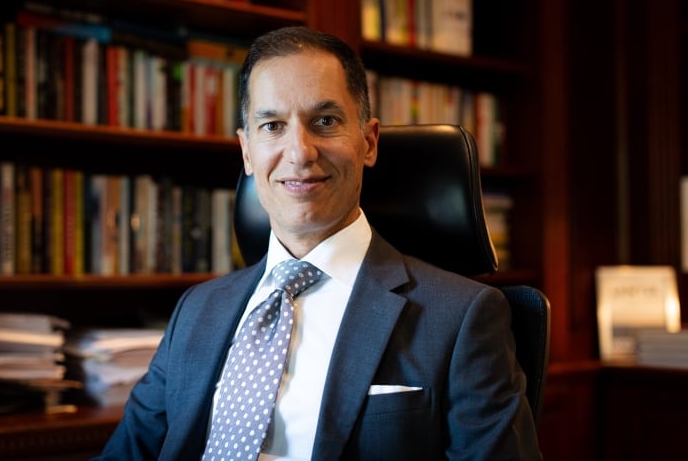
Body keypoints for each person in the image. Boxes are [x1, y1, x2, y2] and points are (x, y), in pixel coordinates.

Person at [94, 26, 541, 460]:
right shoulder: (197, 310)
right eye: (271, 126)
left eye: (324, 121)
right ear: (246, 151)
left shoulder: (461, 316)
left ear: (368, 142)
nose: (300, 152)